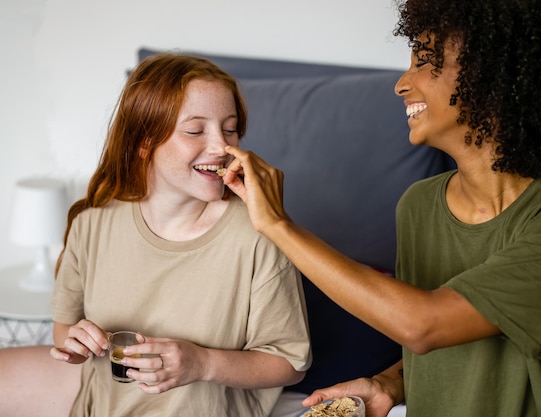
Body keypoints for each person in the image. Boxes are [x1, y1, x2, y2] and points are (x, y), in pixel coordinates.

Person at [220, 0, 541, 416]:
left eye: (425, 63)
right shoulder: (419, 205)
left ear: (492, 78)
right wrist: (387, 384)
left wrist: (278, 224)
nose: (401, 83)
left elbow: (425, 325)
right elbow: (455, 347)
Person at [0, 52, 311, 417]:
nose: (222, 147)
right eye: (195, 130)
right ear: (143, 141)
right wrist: (75, 343)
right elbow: (63, 328)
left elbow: (290, 363)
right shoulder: (91, 223)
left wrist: (202, 363)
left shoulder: (257, 235)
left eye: (230, 129)